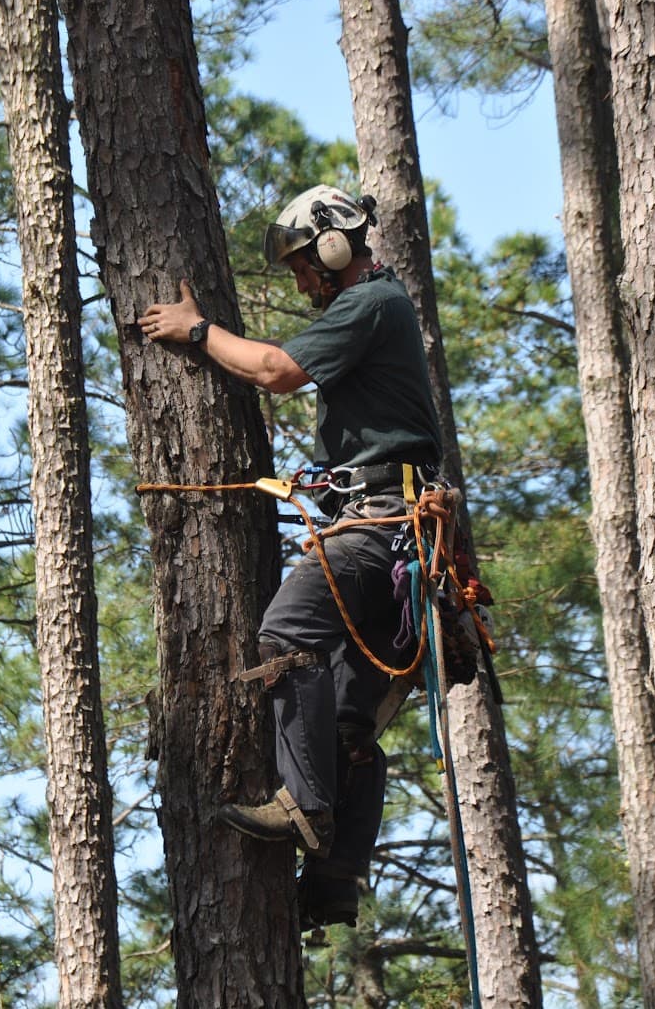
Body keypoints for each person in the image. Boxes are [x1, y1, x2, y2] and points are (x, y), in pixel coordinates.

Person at [138, 184, 445, 929]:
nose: (304, 283)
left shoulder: (371, 302)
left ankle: (304, 804)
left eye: (307, 266)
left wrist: (198, 329)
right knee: (347, 721)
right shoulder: (382, 307)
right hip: (394, 533)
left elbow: (275, 369)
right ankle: (335, 879)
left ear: (337, 246)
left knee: (288, 632)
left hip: (377, 528)